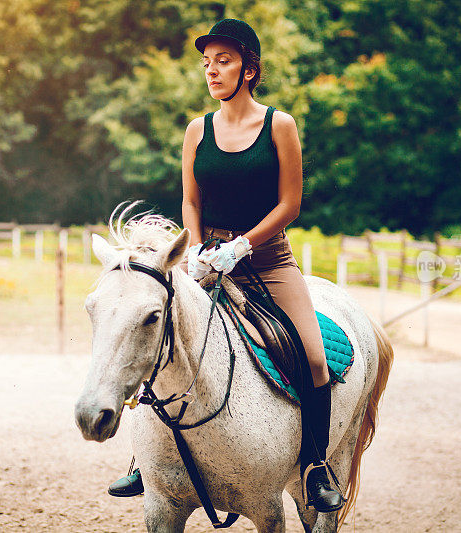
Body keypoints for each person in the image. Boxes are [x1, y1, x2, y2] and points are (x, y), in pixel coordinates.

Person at [107, 18, 344, 514]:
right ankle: (142, 458)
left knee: (315, 358)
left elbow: (290, 204)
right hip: (203, 259)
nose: (212, 72)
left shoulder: (280, 125)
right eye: (207, 63)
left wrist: (242, 247)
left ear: (249, 69)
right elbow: (189, 201)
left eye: (224, 61)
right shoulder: (198, 130)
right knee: (158, 340)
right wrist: (194, 249)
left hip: (268, 261)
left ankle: (316, 465)